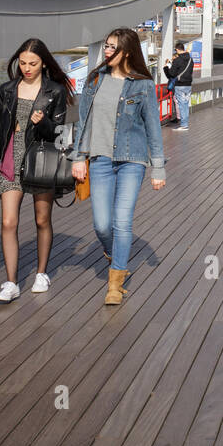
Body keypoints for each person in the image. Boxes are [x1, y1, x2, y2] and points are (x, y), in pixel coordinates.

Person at [70, 27, 166, 306]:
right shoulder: (94, 80)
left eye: (112, 47)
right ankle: (115, 254)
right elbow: (83, 122)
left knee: (122, 222)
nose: (107, 51)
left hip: (131, 160)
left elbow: (153, 129)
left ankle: (115, 284)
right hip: (99, 159)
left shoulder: (143, 85)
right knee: (102, 225)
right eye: (106, 46)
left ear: (127, 51)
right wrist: (78, 157)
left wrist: (157, 169)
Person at [0, 38, 72, 304]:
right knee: (8, 222)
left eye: (32, 63)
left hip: (41, 162)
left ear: (43, 62)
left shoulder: (55, 92)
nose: (27, 68)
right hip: (11, 160)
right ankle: (11, 282)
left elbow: (62, 135)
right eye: (22, 63)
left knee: (41, 220)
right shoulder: (6, 90)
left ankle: (41, 273)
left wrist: (43, 121)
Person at [164, 42, 193, 131]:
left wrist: (166, 68)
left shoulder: (177, 60)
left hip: (180, 85)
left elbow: (171, 74)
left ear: (177, 49)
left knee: (181, 105)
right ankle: (185, 123)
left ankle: (184, 125)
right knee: (185, 104)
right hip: (188, 84)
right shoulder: (190, 59)